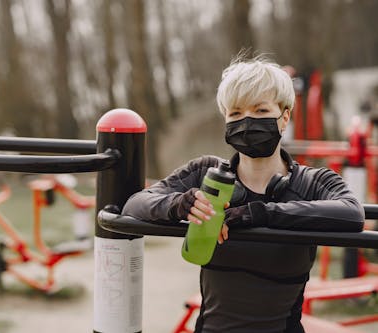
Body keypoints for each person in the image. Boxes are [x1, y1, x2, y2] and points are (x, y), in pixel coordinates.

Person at [121, 56, 365, 333]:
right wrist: (179, 204)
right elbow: (135, 203)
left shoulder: (311, 182)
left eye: (261, 111)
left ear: (284, 118)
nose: (247, 121)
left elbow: (352, 214)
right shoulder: (206, 173)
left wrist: (259, 214)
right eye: (235, 113)